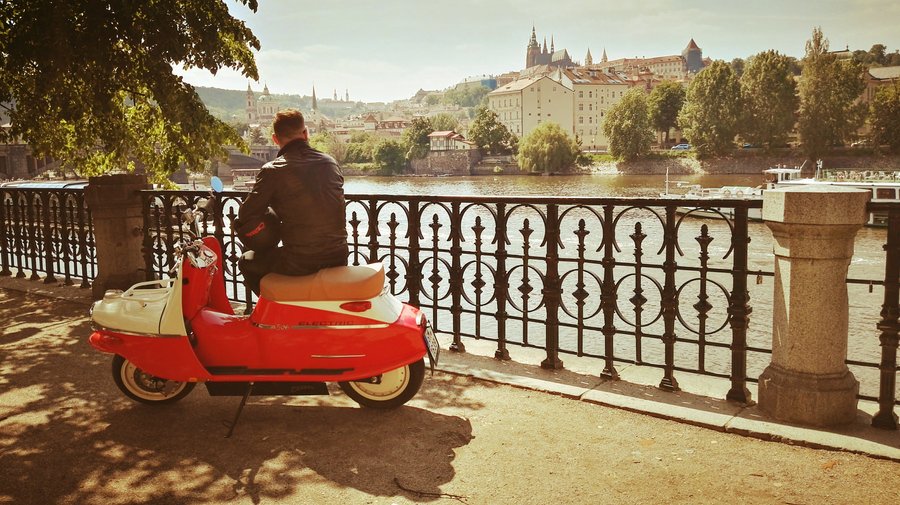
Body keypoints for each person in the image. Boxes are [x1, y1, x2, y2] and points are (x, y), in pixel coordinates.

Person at [237, 109, 348, 295]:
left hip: (300, 261)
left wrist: (273, 222)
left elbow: (246, 215)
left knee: (247, 261)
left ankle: (276, 312)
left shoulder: (272, 170)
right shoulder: (330, 163)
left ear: (275, 139)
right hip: (338, 256)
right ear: (305, 133)